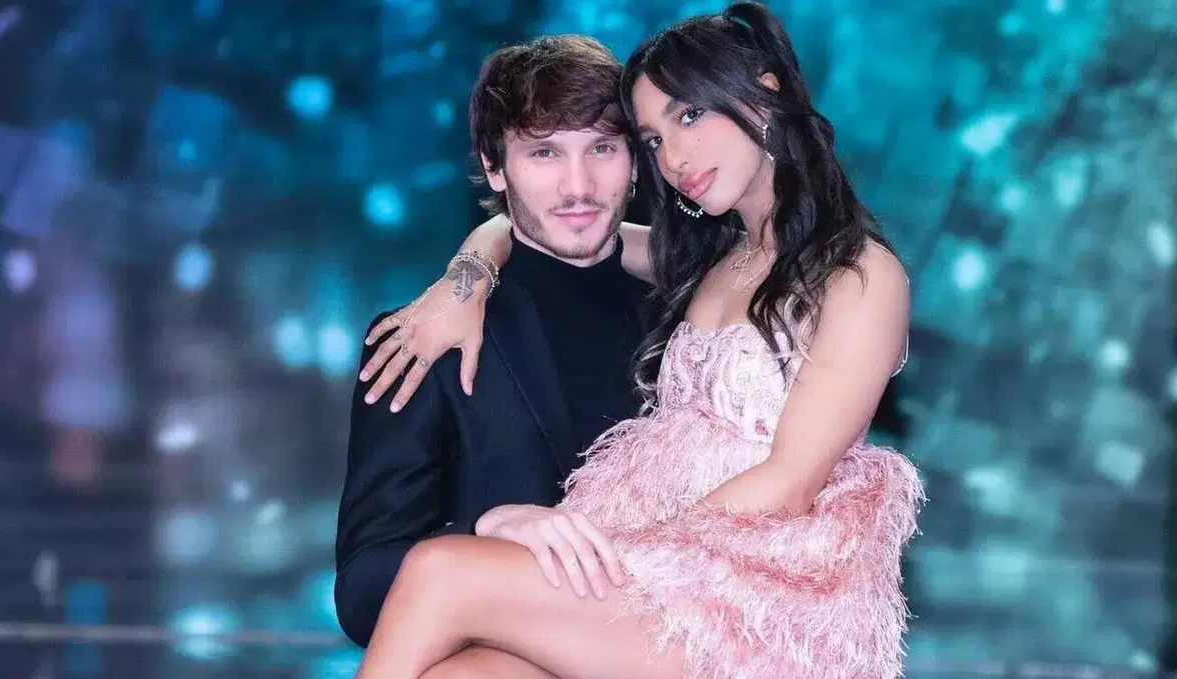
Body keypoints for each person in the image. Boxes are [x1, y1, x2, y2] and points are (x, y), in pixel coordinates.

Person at [352, 3, 925, 679]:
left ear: (765, 93)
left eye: (689, 116)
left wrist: (623, 548)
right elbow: (548, 231)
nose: (674, 157)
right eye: (652, 139)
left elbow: (791, 482)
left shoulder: (858, 274)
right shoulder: (710, 261)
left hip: (752, 596)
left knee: (441, 570)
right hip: (652, 583)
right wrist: (467, 275)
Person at [335, 35, 655, 678]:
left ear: (635, 159)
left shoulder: (697, 315)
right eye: (544, 152)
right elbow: (362, 588)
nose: (578, 185)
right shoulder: (425, 337)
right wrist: (486, 532)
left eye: (602, 148)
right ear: (495, 165)